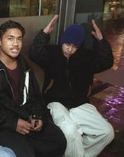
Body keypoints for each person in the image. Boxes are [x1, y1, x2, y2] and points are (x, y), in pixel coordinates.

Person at [0, 20, 67, 157]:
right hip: (2, 126)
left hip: (26, 116)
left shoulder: (24, 65)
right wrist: (13, 123)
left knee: (58, 141)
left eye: (19, 39)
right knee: (25, 153)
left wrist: (37, 115)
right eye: (10, 38)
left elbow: (35, 95)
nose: (16, 44)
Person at [29, 15, 115, 157]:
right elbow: (34, 53)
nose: (69, 49)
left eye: (74, 46)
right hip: (56, 103)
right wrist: (44, 34)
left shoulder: (86, 57)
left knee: (107, 132)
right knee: (69, 130)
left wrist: (101, 41)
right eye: (67, 44)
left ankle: (78, 154)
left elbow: (107, 62)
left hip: (80, 104)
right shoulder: (52, 54)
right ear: (62, 41)